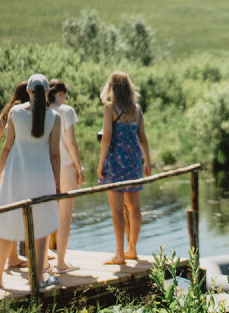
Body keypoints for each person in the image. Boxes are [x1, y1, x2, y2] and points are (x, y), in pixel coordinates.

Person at [0, 73, 62, 289]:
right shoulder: (54, 118)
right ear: (47, 92)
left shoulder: (15, 113)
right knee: (42, 226)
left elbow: (7, 147)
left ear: (28, 91)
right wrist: (57, 184)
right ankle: (37, 279)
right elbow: (55, 155)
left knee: (7, 223)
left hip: (15, 176)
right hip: (43, 178)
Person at [97, 71, 151, 265]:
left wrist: (101, 162)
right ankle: (132, 249)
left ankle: (120, 253)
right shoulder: (136, 109)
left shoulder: (110, 107)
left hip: (116, 161)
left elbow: (107, 137)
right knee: (135, 206)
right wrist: (147, 160)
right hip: (134, 160)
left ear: (112, 88)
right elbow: (142, 137)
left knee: (117, 211)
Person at [47, 78, 85, 272]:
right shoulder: (66, 111)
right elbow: (71, 142)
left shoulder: (43, 111)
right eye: (65, 94)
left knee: (46, 213)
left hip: (46, 168)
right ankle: (61, 262)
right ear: (60, 93)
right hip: (66, 167)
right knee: (64, 217)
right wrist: (79, 168)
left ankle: (44, 260)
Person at [0, 81, 29, 269]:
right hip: (20, 165)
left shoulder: (7, 113)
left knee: (10, 210)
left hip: (6, 166)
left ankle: (12, 256)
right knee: (18, 211)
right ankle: (13, 257)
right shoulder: (24, 112)